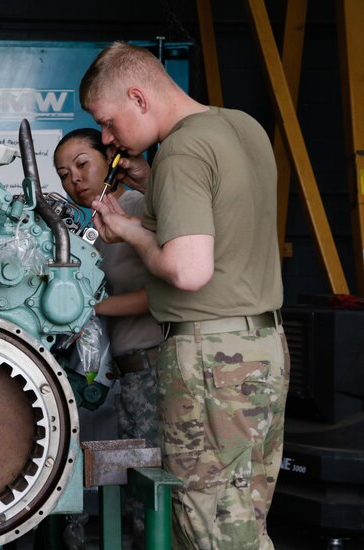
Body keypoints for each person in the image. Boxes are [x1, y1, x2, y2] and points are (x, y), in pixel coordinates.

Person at [80, 41, 289, 550]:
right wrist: (153, 192)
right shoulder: (242, 127)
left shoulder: (181, 150)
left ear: (139, 97)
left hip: (210, 360)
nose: (108, 138)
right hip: (262, 346)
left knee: (208, 526)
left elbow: (187, 268)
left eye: (108, 122)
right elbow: (225, 222)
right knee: (242, 517)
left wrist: (128, 232)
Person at [54, 128, 163, 545]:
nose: (74, 180)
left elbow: (161, 296)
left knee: (149, 500)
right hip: (127, 375)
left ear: (112, 162)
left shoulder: (135, 210)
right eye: (64, 174)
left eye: (83, 164)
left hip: (152, 370)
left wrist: (85, 308)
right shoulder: (98, 227)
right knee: (131, 498)